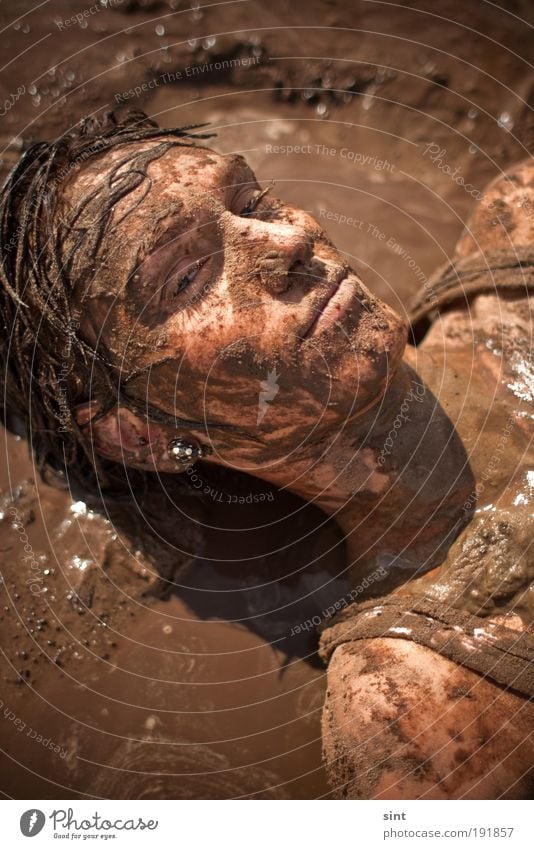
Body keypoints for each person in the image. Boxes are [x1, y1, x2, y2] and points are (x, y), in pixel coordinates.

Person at [0, 111, 532, 799]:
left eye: (251, 202)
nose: (287, 239)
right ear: (137, 433)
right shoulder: (422, 714)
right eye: (188, 276)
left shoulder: (521, 220)